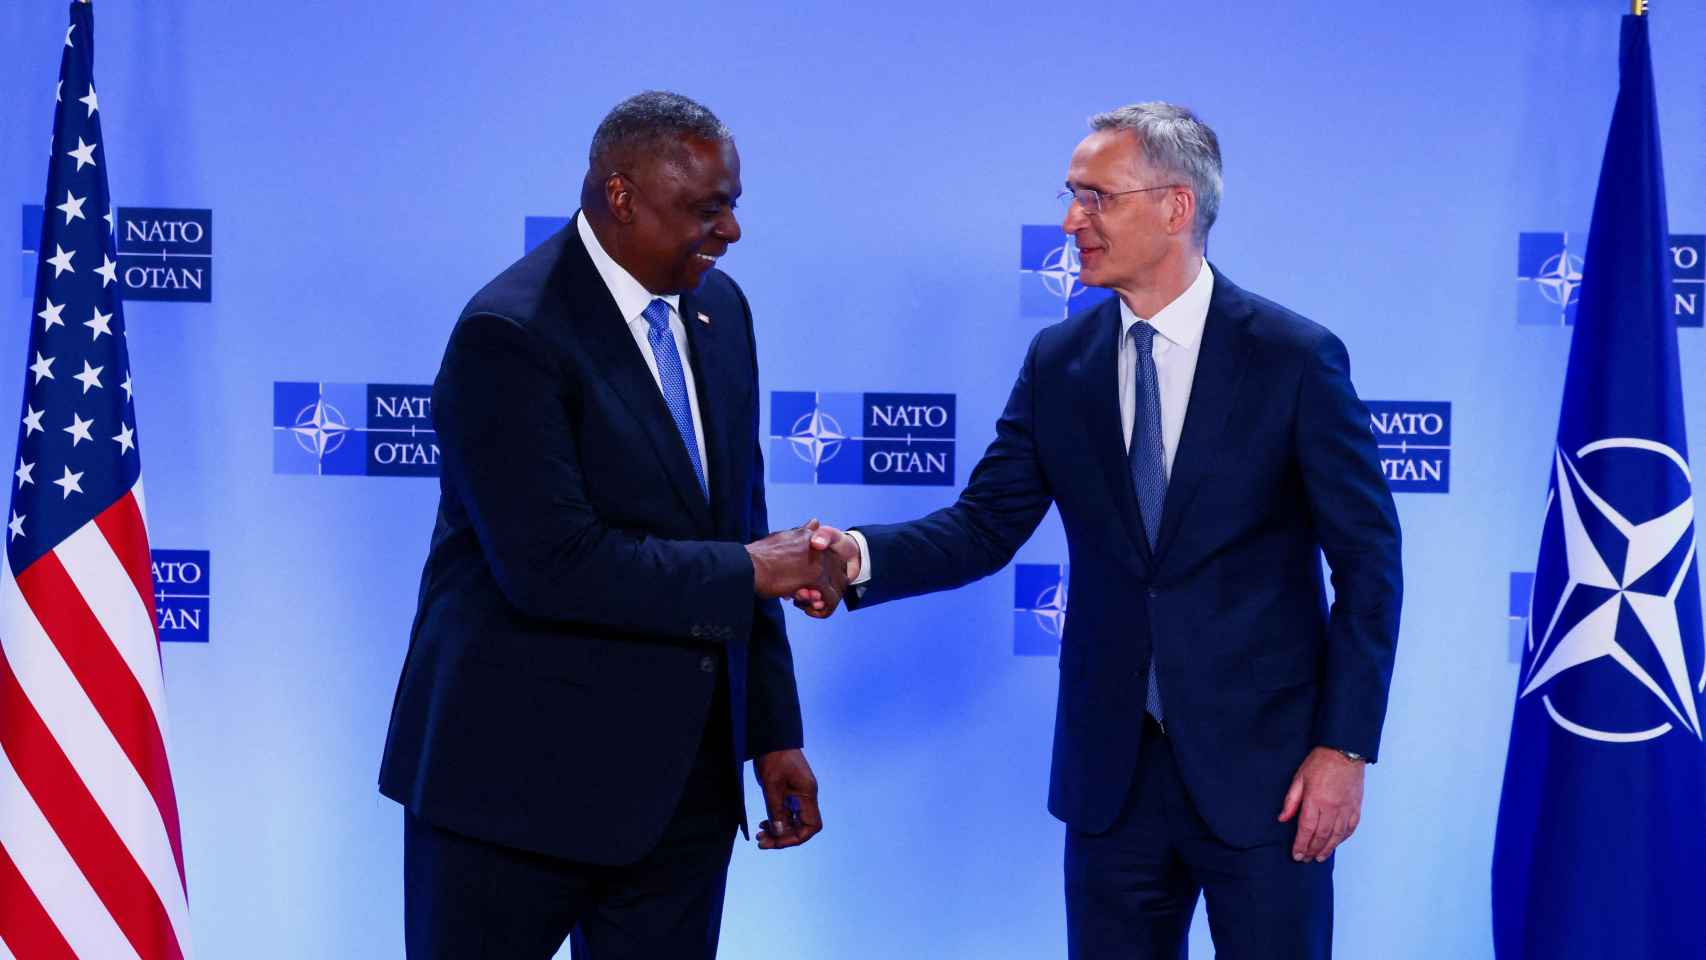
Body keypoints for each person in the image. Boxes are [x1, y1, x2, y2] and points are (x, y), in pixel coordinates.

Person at [802, 102, 1402, 958]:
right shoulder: (1060, 363)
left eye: (1095, 197)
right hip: (1111, 780)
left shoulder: (1294, 359)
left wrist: (1345, 746)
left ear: (1176, 207)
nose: (1069, 220)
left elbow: (1371, 564)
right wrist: (855, 557)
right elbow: (983, 525)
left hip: (1269, 780)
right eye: (1070, 195)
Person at [379, 91, 846, 959]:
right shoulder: (509, 333)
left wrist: (774, 731)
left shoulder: (722, 312)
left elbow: (742, 521)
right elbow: (553, 564)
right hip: (509, 792)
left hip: (683, 795)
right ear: (621, 194)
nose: (732, 229)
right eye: (708, 208)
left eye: (734, 203)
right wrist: (750, 570)